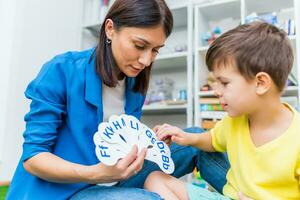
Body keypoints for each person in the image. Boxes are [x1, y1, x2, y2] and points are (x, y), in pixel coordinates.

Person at [6, 0, 230, 199]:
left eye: (155, 50)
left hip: (113, 176)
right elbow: (34, 158)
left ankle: (249, 194)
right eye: (140, 46)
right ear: (110, 29)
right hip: (65, 190)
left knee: (196, 138)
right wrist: (97, 173)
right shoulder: (61, 70)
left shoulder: (134, 84)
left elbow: (119, 141)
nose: (146, 60)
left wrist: (150, 144)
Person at [144, 21, 300, 200]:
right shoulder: (235, 120)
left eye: (224, 83)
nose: (216, 91)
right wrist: (187, 137)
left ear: (260, 83)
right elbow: (212, 139)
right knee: (154, 179)